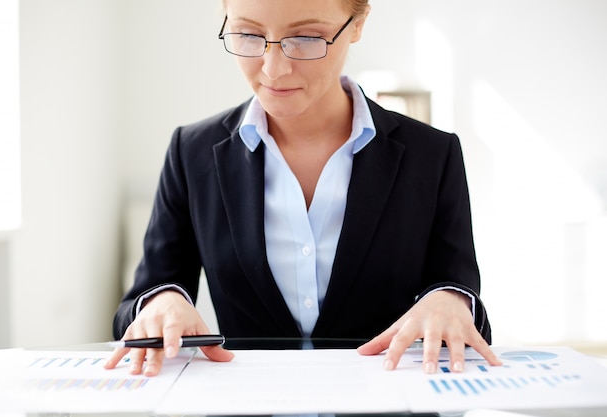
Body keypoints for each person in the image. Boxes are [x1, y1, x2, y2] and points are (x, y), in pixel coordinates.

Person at [105, 0, 501, 377]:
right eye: (247, 35)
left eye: (307, 38)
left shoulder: (432, 154)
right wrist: (161, 302)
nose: (274, 69)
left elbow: (459, 293)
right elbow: (138, 301)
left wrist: (451, 301)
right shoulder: (191, 153)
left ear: (357, 24)